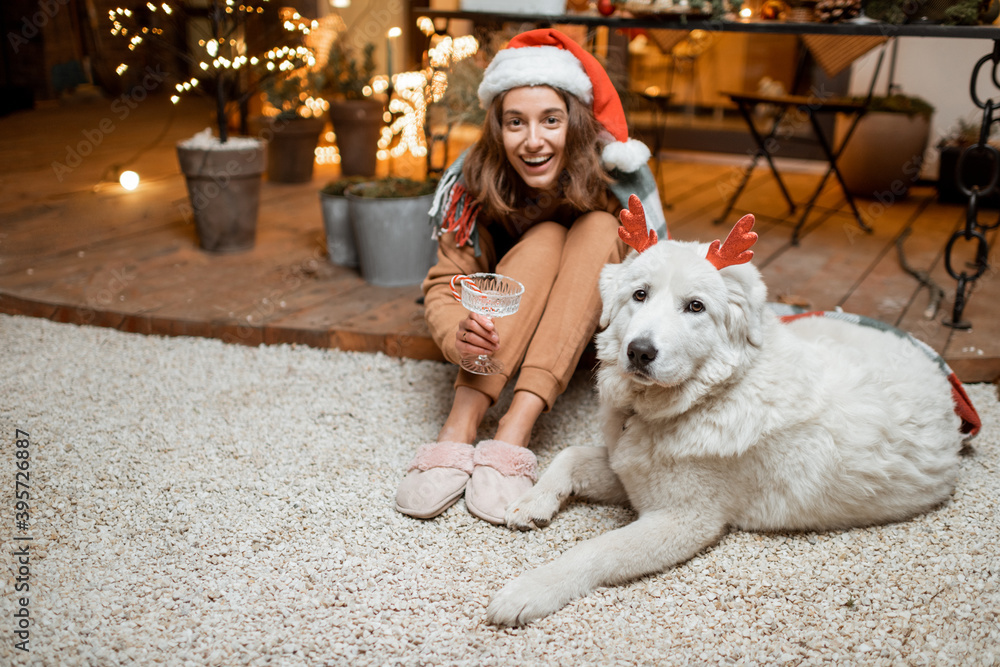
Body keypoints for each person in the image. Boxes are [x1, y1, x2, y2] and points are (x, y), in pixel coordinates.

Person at [394, 28, 667, 524]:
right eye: (515, 122)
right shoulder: (472, 179)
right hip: (503, 329)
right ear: (497, 127)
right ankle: (461, 423)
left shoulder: (618, 184)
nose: (533, 140)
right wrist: (461, 336)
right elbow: (444, 282)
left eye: (551, 120)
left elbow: (654, 289)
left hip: (582, 333)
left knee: (599, 226)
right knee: (542, 241)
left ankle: (514, 430)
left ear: (576, 124)